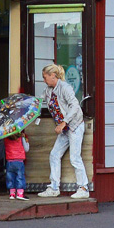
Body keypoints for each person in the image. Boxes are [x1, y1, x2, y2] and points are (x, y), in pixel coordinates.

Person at [37, 63, 90, 200]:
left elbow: (75, 106)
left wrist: (64, 122)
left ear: (53, 76)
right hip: (64, 128)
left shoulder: (65, 88)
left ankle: (83, 188)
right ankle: (54, 187)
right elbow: (39, 101)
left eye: (45, 77)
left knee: (75, 158)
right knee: (54, 155)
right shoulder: (48, 90)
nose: (44, 80)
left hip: (74, 125)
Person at [4, 133, 28, 200]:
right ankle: (20, 193)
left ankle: (12, 193)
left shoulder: (6, 139)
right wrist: (26, 141)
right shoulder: (21, 138)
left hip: (9, 161)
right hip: (19, 161)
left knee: (10, 177)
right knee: (20, 177)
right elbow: (26, 149)